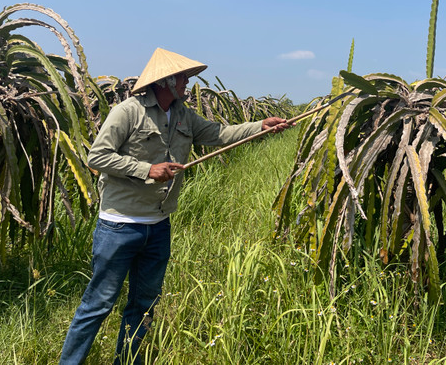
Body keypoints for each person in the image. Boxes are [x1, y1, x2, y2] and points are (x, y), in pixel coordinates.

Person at [59, 48, 291, 364]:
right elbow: (97, 156)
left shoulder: (183, 115)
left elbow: (219, 134)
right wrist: (147, 169)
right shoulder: (128, 112)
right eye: (182, 78)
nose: (187, 83)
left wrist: (260, 126)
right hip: (120, 226)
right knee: (98, 303)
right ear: (166, 81)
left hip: (158, 227)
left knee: (143, 304)